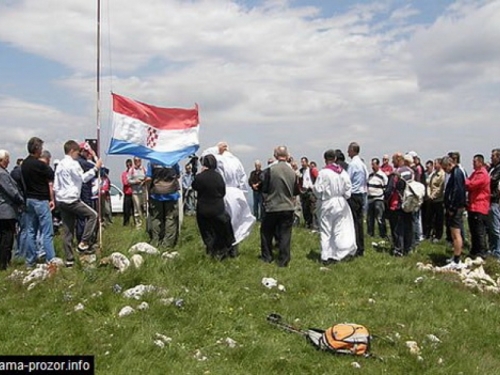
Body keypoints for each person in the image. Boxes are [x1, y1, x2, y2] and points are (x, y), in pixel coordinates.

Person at [53, 140, 102, 267]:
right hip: (72, 199)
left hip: (61, 200)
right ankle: (84, 242)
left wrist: (56, 198)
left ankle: (69, 259)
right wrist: (96, 168)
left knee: (68, 230)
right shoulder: (73, 164)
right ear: (72, 151)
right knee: (93, 215)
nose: (78, 155)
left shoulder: (59, 165)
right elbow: (83, 178)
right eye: (77, 152)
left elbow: (56, 185)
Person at [201, 142, 255, 255]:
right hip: (237, 193)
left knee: (221, 223)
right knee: (235, 223)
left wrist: (216, 148)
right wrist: (242, 194)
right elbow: (242, 179)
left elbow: (204, 157)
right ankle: (233, 248)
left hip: (223, 192)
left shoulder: (218, 159)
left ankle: (220, 249)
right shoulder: (236, 161)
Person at [313, 149, 356, 265]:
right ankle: (337, 253)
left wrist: (321, 197)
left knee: (326, 230)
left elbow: (317, 189)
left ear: (325, 159)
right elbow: (348, 190)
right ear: (335, 159)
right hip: (341, 202)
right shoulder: (342, 172)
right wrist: (344, 196)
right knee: (338, 229)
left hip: (327, 201)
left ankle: (325, 255)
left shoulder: (323, 172)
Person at [21, 137, 56, 267]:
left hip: (29, 199)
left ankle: (30, 260)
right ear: (37, 149)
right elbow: (51, 175)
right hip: (41, 200)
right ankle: (50, 259)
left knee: (30, 231)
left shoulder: (24, 164)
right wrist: (51, 199)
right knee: (47, 232)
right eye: (40, 148)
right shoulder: (40, 165)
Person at [260, 146, 298, 267]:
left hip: (273, 206)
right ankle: (284, 259)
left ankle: (267, 256)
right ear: (287, 156)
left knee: (266, 232)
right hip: (288, 206)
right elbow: (296, 191)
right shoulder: (292, 172)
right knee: (285, 234)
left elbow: (264, 188)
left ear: (275, 155)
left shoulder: (270, 170)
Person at [192, 154, 235, 259]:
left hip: (203, 209)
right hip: (218, 208)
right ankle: (223, 251)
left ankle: (211, 251)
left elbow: (194, 186)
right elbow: (223, 192)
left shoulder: (200, 177)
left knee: (207, 232)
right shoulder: (218, 176)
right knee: (219, 230)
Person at [144, 161, 181, 248]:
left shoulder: (152, 162)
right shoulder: (173, 161)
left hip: (156, 194)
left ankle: (156, 242)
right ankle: (168, 244)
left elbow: (148, 178)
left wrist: (148, 192)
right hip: (171, 194)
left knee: (156, 218)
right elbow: (178, 175)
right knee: (171, 219)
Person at [384, 153, 414, 256]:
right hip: (409, 203)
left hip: (396, 204)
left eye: (393, 160)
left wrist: (386, 200)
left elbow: (390, 189)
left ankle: (398, 249)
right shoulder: (411, 172)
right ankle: (408, 247)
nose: (392, 162)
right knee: (408, 227)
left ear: (398, 159)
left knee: (397, 228)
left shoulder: (396, 173)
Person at [0, 150, 24, 270]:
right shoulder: (2, 174)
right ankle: (4, 263)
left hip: (4, 210)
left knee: (5, 237)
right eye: (7, 158)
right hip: (6, 210)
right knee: (7, 238)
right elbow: (11, 191)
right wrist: (21, 200)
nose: (9, 161)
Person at [441, 155, 467, 269]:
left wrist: (452, 207)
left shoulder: (456, 173)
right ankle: (455, 256)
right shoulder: (454, 173)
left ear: (449, 164)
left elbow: (458, 191)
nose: (444, 170)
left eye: (444, 168)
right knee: (453, 233)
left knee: (456, 234)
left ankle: (456, 260)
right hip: (454, 208)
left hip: (456, 208)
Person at [465, 154, 490, 259]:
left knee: (479, 231)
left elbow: (471, 185)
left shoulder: (483, 174)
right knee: (473, 230)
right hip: (472, 205)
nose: (473, 164)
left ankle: (481, 252)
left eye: (474, 162)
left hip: (480, 205)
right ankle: (474, 250)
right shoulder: (475, 173)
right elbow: (468, 182)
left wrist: (467, 182)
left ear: (480, 162)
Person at [347, 142, 368, 257]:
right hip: (361, 194)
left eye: (349, 150)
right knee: (360, 222)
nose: (347, 152)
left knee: (353, 222)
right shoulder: (363, 164)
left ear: (353, 150)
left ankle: (355, 247)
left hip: (353, 194)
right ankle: (361, 247)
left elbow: (347, 179)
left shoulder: (352, 164)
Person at [366, 158, 388, 238]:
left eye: (374, 164)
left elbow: (385, 187)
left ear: (378, 165)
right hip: (370, 198)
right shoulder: (370, 176)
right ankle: (370, 233)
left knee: (380, 217)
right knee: (369, 218)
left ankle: (383, 234)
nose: (372, 166)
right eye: (372, 164)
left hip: (379, 198)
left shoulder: (382, 176)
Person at [426, 158, 445, 242]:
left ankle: (438, 235)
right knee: (430, 218)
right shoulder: (434, 174)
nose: (434, 165)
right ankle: (430, 234)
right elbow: (429, 184)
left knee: (439, 219)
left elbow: (441, 187)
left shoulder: (442, 174)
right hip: (431, 198)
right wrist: (429, 194)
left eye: (436, 163)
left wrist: (434, 195)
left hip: (438, 199)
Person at [128, 157, 147, 228]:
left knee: (145, 207)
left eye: (139, 160)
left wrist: (144, 181)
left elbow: (148, 178)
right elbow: (128, 181)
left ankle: (145, 223)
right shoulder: (131, 170)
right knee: (137, 208)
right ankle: (138, 225)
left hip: (144, 191)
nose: (137, 162)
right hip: (135, 192)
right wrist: (135, 182)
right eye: (136, 161)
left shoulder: (144, 169)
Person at [299, 157, 316, 230]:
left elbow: (316, 178)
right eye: (301, 162)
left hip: (310, 191)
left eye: (304, 162)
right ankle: (307, 223)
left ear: (307, 162)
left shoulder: (311, 170)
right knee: (305, 208)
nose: (302, 164)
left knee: (311, 208)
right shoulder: (301, 171)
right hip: (303, 191)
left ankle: (313, 224)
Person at [488, 148, 500, 259]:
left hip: (495, 200)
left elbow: (492, 180)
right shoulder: (493, 168)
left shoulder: (498, 170)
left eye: (493, 156)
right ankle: (492, 249)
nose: (491, 158)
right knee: (490, 227)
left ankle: (498, 251)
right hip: (489, 200)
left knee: (496, 228)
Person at [121, 159, 134, 226]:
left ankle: (136, 223)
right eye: (128, 165)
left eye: (130, 165)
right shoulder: (124, 174)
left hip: (134, 193)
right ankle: (126, 223)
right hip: (127, 194)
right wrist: (133, 182)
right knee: (126, 210)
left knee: (135, 210)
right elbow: (125, 182)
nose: (129, 166)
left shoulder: (134, 173)